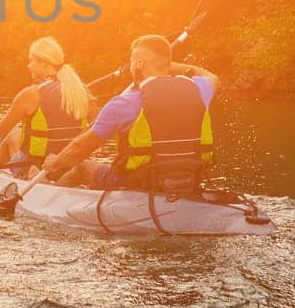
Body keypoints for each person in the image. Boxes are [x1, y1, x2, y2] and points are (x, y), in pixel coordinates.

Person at [44, 33, 218, 192]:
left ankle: (50, 199)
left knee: (82, 167)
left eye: (133, 60)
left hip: (138, 182)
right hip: (189, 178)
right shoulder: (198, 90)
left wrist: (56, 163)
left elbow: (80, 148)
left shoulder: (123, 104)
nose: (130, 66)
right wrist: (170, 65)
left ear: (140, 63)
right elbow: (213, 78)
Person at [0, 36, 98, 184]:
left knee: (13, 134)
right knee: (17, 134)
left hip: (38, 168)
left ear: (43, 63)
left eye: (31, 61)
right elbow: (97, 129)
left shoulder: (30, 94)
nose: (29, 66)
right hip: (71, 167)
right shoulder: (81, 92)